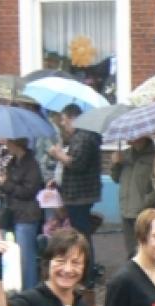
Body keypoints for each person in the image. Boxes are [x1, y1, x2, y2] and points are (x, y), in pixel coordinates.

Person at [49, 104, 102, 287]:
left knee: (82, 235)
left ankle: (87, 275)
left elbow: (77, 164)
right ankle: (87, 272)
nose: (63, 124)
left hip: (80, 194)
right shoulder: (80, 137)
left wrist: (58, 154)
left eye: (64, 120)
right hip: (77, 193)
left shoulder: (83, 137)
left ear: (72, 118)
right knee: (81, 232)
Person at [0, 137, 43, 289]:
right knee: (15, 255)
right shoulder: (13, 162)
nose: (6, 145)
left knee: (26, 257)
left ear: (15, 143)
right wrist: (3, 183)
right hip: (14, 213)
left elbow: (29, 191)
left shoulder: (31, 164)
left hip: (27, 215)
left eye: (8, 142)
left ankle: (29, 290)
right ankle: (18, 288)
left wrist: (6, 184)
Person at [112, 136, 155, 257]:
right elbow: (116, 178)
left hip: (143, 212)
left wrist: (145, 204)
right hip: (126, 209)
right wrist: (116, 164)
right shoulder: (125, 154)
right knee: (131, 252)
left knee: (146, 249)